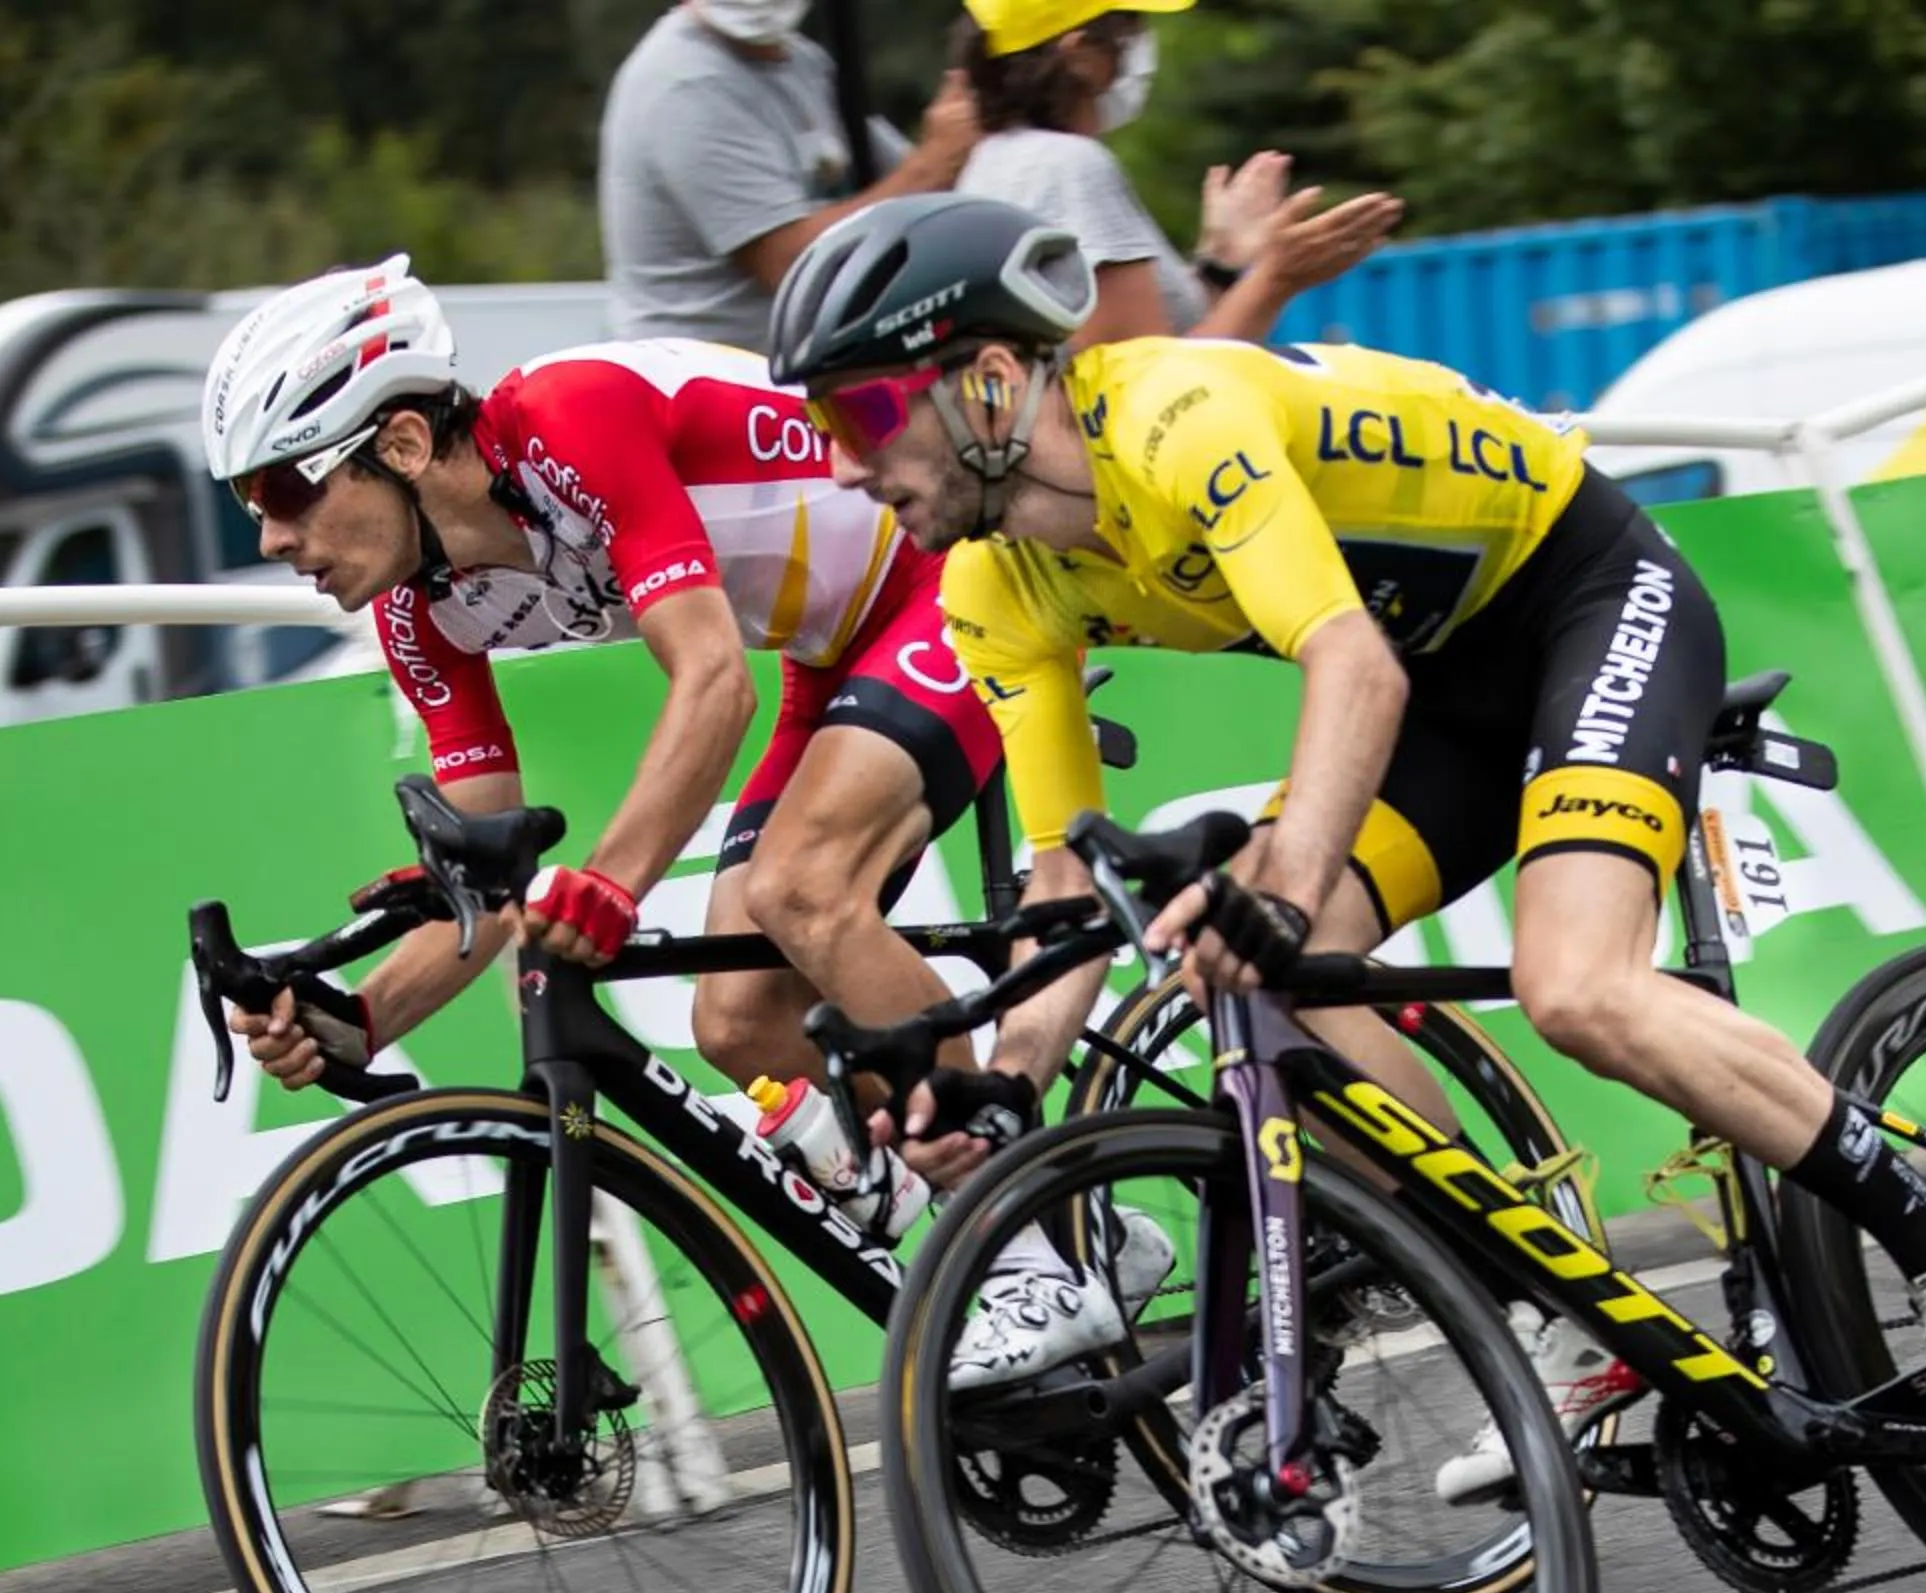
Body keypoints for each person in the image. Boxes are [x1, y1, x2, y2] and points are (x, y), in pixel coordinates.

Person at [766, 193, 1926, 1499]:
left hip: (1585, 599)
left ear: (990, 383)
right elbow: (1061, 884)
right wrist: (1008, 1084)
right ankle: (1565, 1310)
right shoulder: (1001, 588)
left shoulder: (1174, 421)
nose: (837, 465)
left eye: (859, 416)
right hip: (1451, 687)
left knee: (1577, 986)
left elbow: (1350, 666)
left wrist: (1284, 883)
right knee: (1263, 976)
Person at [205, 255, 1022, 1181]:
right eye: (249, 503)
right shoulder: (414, 607)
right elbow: (484, 862)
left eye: (284, 490)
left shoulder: (568, 419)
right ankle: (1058, 1218)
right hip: (833, 648)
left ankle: (1030, 1231)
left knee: (803, 889)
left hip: (954, 569)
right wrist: (362, 1019)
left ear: (399, 443)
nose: (270, 539)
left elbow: (714, 678)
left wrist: (612, 885)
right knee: (737, 1024)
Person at [948, 0, 1401, 345]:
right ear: (1081, 53)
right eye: (1130, 27)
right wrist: (1277, 278)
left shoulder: (994, 162)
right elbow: (1158, 395)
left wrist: (1220, 264)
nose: (1141, 47)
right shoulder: (1065, 167)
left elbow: (1146, 345)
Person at [598, 0, 979, 351]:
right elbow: (793, 264)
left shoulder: (802, 64)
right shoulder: (686, 84)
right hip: (695, 396)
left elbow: (912, 187)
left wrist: (963, 139)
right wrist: (932, 163)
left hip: (776, 390)